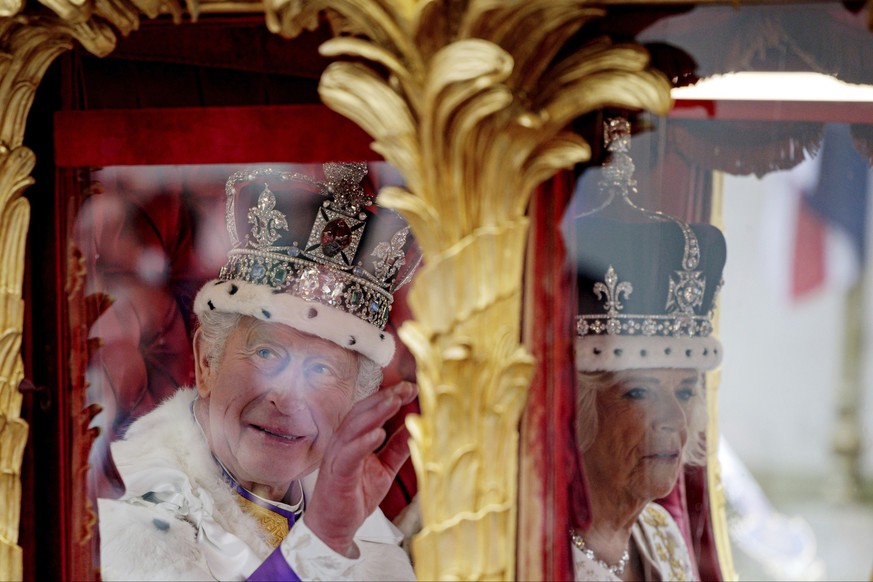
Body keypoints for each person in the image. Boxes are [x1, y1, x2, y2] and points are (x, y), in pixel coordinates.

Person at [97, 162, 419, 581]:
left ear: (354, 402)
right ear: (207, 362)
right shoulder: (135, 512)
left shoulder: (340, 498)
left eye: (321, 369)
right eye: (267, 354)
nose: (287, 398)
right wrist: (322, 543)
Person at [569, 121, 727, 581]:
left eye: (684, 391)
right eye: (639, 392)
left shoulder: (660, 532)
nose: (674, 420)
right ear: (575, 408)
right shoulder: (525, 539)